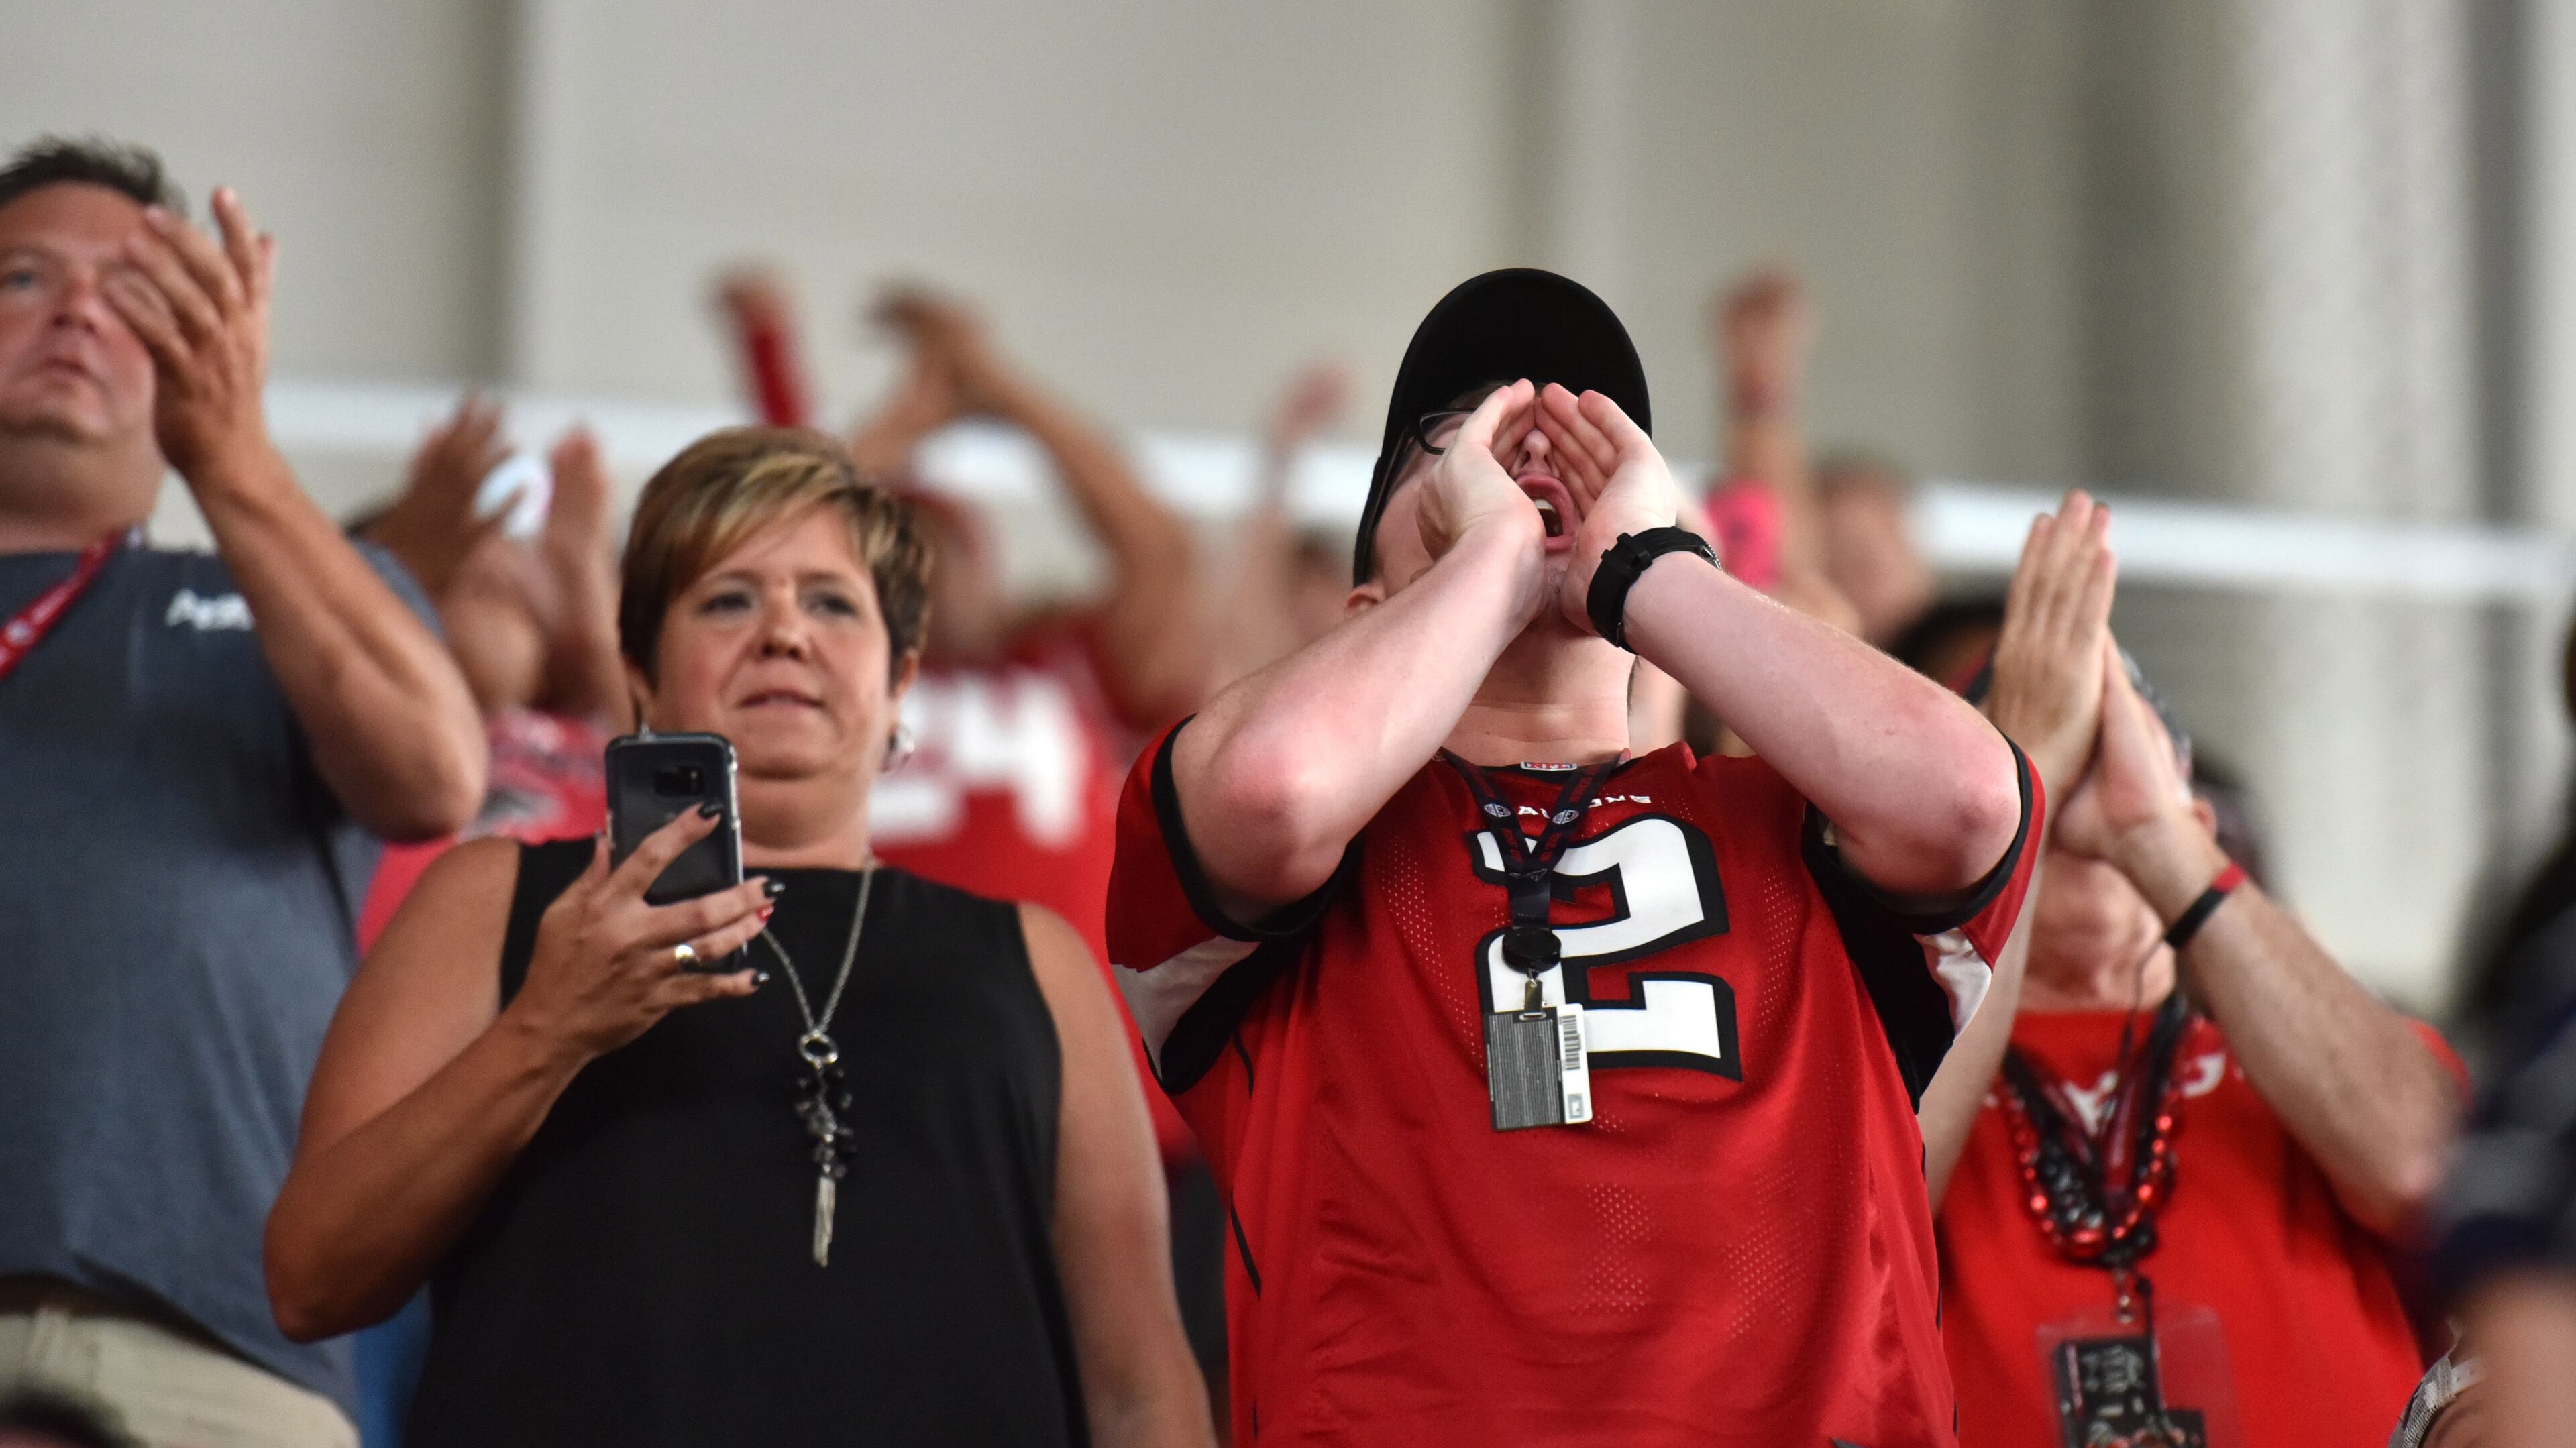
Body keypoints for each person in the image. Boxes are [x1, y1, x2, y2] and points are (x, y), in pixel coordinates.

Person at [1107, 268, 2037, 1447]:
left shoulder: (1791, 824)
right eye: (1456, 444)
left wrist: (1649, 565)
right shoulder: (1284, 842)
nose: (1529, 447)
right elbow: (1272, 789)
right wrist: (1487, 562)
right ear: (1362, 614)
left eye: (1583, 433)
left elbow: (1968, 797)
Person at [266, 427, 1213, 1447]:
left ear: (901, 682)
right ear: (639, 668)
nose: (783, 633)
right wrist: (544, 1030)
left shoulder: (1036, 961)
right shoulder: (503, 897)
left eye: (832, 602)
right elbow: (310, 1275)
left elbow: (1141, 1385)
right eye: (727, 598)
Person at [0, 138, 484, 1447]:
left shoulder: (276, 593)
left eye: (132, 289)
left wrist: (231, 455)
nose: (79, 310)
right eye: (26, 276)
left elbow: (436, 769)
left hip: (221, 1346)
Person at [1930, 492, 2462, 1447]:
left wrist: (2154, 837)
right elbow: (1851, 1228)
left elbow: (2429, 1168)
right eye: (2044, 767)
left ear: (2205, 827)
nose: (2072, 787)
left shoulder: (2310, 1048)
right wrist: (2008, 806)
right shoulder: (1894, 1072)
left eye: (2111, 755)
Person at [354, 400, 632, 944]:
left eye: (523, 561)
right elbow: (318, 652)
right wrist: (395, 557)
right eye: (458, 559)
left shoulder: (609, 741)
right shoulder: (357, 746)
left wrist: (593, 621)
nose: (491, 558)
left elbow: (704, 798)